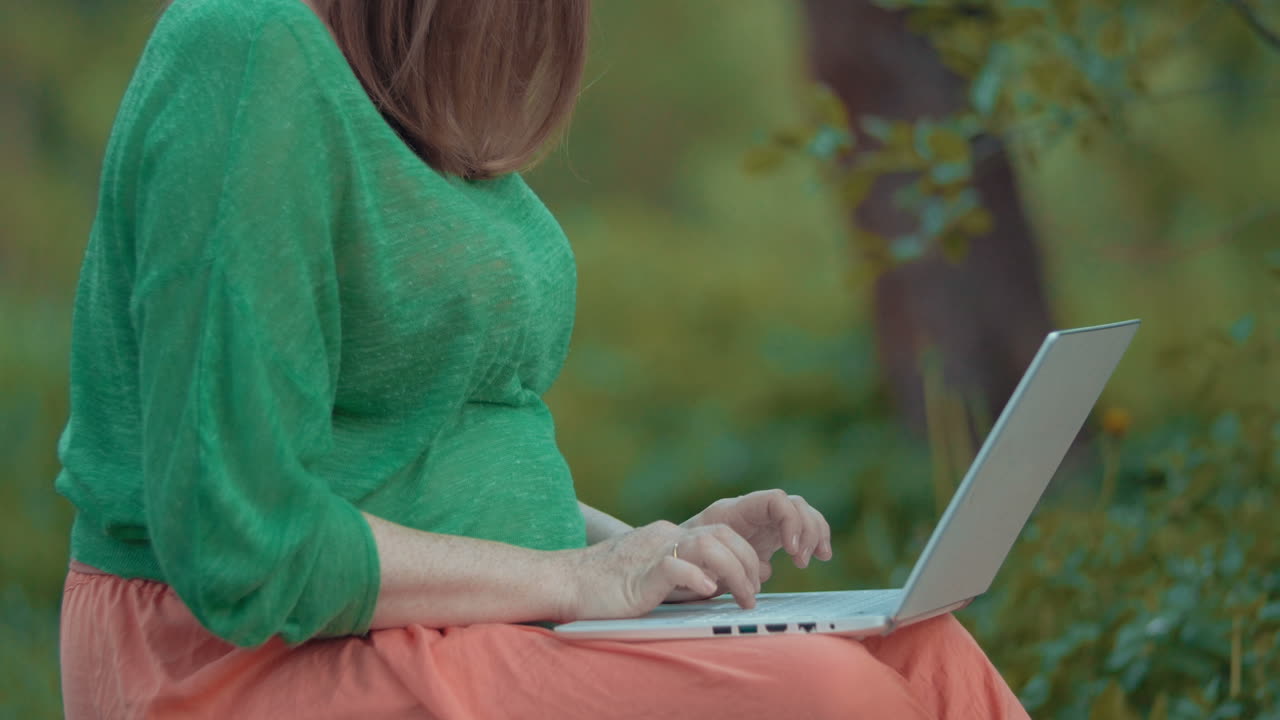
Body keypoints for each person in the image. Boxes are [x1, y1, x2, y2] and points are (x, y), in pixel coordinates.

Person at [54, 0, 1030, 717]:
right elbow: (243, 543)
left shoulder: (393, 93)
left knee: (923, 657)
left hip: (433, 616)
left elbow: (414, 451)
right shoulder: (243, 44)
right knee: (825, 700)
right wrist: (572, 580)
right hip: (226, 658)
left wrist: (647, 551)